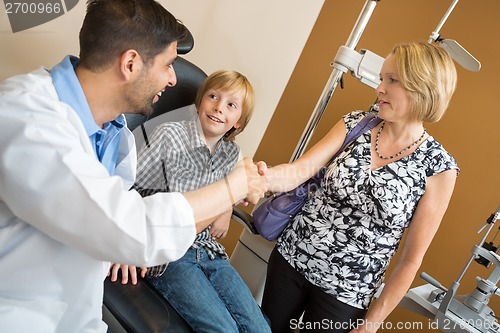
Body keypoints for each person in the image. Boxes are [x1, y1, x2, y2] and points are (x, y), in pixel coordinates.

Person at [0, 1, 267, 332]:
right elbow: (134, 227)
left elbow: (115, 217)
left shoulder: (115, 133)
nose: (173, 79)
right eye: (168, 65)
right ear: (130, 63)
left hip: (75, 312)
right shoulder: (31, 120)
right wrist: (232, 188)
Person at [258, 41, 459, 333]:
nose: (379, 88)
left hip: (346, 294)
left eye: (392, 80)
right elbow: (298, 171)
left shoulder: (439, 167)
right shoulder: (356, 123)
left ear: (422, 88)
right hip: (291, 260)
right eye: (381, 79)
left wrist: (370, 325)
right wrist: (261, 177)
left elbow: (410, 260)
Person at [109, 69, 271, 332]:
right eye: (213, 97)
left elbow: (242, 176)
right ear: (199, 101)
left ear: (238, 122)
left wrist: (226, 208)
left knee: (259, 328)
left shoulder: (231, 154)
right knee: (224, 329)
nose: (219, 108)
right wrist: (126, 243)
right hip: (171, 253)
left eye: (231, 105)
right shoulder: (169, 136)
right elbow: (127, 187)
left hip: (208, 250)